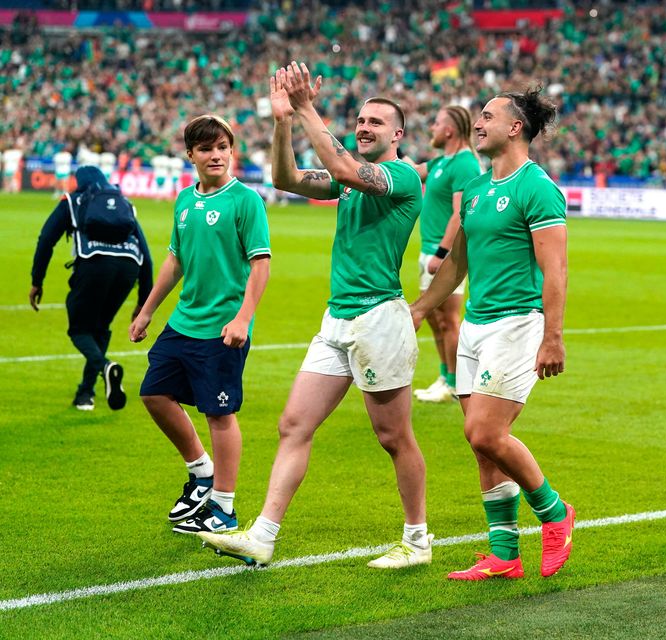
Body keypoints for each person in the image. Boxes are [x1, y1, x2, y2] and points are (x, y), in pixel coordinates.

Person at [198, 62, 431, 569]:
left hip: (379, 319)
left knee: (393, 437)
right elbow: (286, 178)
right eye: (360, 120)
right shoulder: (350, 180)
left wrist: (305, 106)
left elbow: (347, 169)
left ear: (398, 134)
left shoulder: (401, 176)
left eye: (376, 122)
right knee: (293, 424)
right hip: (338, 320)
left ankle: (417, 540)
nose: (364, 126)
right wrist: (283, 121)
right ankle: (262, 535)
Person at [410, 88, 575, 580]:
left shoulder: (537, 187)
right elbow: (458, 260)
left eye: (487, 116)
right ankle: (504, 553)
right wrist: (420, 306)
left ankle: (554, 513)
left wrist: (553, 336)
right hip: (477, 326)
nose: (477, 123)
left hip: (517, 323)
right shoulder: (479, 189)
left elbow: (556, 268)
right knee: (480, 445)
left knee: (485, 431)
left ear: (515, 127)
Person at [129, 114, 272, 536]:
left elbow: (260, 263)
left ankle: (224, 506)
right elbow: (175, 260)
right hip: (184, 322)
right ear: (190, 154)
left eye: (223, 147)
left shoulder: (246, 200)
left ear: (232, 151)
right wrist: (147, 309)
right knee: (154, 393)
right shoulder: (184, 201)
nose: (216, 155)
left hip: (222, 327)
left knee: (219, 414)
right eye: (206, 148)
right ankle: (201, 471)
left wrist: (243, 317)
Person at [30, 165, 153, 411]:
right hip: (129, 269)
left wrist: (37, 281)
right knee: (99, 328)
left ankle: (105, 366)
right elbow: (146, 255)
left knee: (78, 330)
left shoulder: (73, 201)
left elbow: (46, 239)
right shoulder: (124, 203)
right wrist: (143, 302)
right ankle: (86, 394)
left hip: (94, 264)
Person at [405, 105, 482, 403]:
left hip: (446, 254)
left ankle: (455, 383)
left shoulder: (463, 164)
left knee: (448, 319)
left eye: (436, 124)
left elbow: (459, 214)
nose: (432, 129)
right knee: (436, 318)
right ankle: (445, 376)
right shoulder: (442, 161)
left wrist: (441, 252)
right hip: (429, 252)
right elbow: (414, 171)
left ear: (449, 130)